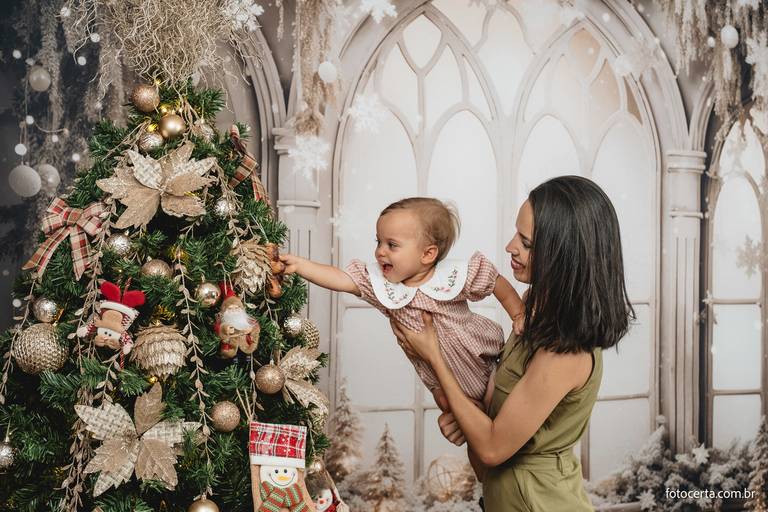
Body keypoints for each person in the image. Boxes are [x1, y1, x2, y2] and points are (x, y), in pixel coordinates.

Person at [390, 176, 634, 511]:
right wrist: (466, 415)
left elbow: (492, 448)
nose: (510, 247)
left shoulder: (563, 353)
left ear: (564, 254)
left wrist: (434, 357)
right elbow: (486, 456)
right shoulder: (532, 311)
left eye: (527, 242)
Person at [280, 197, 525, 409]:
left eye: (392, 245)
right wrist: (301, 265)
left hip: (486, 363)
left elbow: (495, 283)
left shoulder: (452, 277)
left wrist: (518, 314)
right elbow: (341, 278)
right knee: (452, 408)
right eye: (378, 242)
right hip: (444, 382)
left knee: (500, 408)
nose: (380, 252)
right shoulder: (382, 286)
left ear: (428, 254)